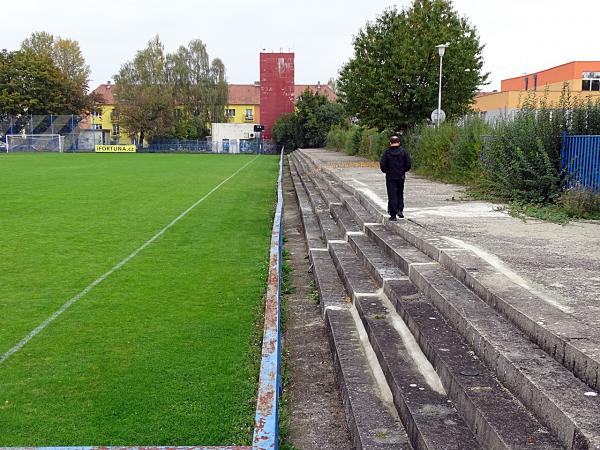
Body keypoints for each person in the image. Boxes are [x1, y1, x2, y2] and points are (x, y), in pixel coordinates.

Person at [379, 135, 411, 221]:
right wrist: (403, 170)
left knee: (392, 194)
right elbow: (408, 164)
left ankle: (393, 214)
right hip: (400, 176)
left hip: (390, 176)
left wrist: (386, 171)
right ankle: (400, 210)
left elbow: (382, 164)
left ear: (390, 143)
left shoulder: (386, 152)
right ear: (399, 142)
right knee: (400, 193)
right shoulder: (403, 152)